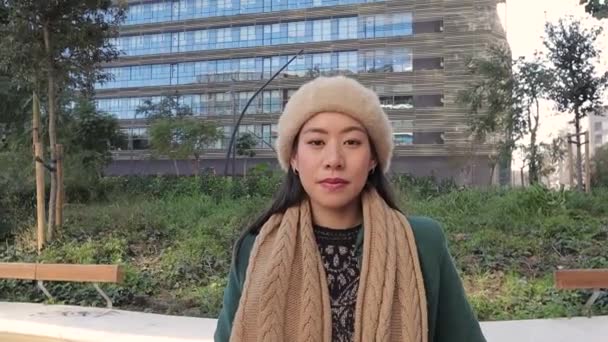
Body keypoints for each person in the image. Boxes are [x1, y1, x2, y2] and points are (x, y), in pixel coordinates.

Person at [214, 76, 486, 342]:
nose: (333, 160)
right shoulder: (255, 246)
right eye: (316, 142)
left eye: (352, 142)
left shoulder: (423, 242)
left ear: (373, 159)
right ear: (294, 157)